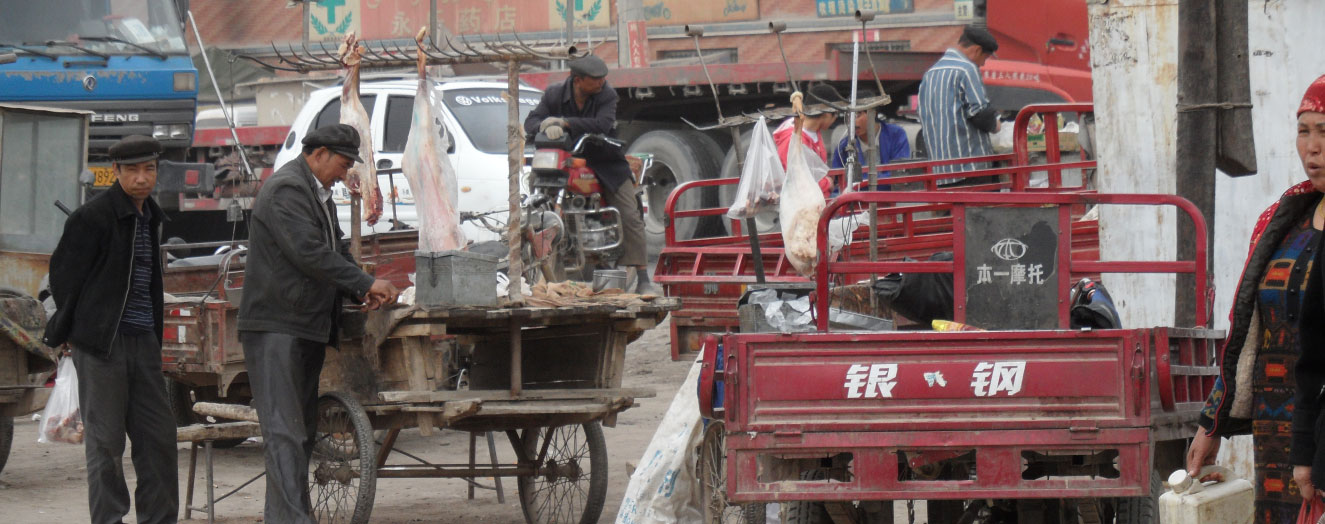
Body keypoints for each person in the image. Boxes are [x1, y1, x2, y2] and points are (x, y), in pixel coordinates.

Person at [239, 124, 400, 524]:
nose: (346, 174)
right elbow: (308, 252)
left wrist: (361, 289)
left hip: (303, 326)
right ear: (320, 153)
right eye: (343, 164)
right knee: (284, 432)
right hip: (276, 325)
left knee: (298, 434)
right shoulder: (287, 190)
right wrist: (363, 282)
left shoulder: (318, 193)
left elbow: (336, 250)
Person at [1187, 74, 1325, 522]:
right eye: (1304, 131)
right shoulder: (1284, 217)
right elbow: (1246, 336)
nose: (1312, 147)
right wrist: (1214, 424)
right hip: (1278, 425)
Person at [42, 135, 178, 524]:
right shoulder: (92, 217)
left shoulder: (151, 216)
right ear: (115, 172)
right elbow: (63, 276)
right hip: (101, 346)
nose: (141, 178)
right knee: (106, 445)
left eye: (148, 169)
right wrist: (75, 330)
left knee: (158, 439)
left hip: (143, 342)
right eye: (132, 170)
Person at [523, 54, 657, 294]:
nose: (601, 82)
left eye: (603, 78)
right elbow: (531, 121)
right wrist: (544, 126)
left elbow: (602, 125)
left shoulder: (607, 95)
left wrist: (564, 123)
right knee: (535, 191)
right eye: (595, 79)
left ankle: (644, 278)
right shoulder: (554, 94)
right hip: (567, 162)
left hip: (605, 162)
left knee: (629, 213)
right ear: (577, 80)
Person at [917, 25, 1000, 186]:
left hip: (940, 173)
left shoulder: (930, 74)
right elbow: (980, 114)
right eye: (985, 57)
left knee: (950, 212)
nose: (983, 64)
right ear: (976, 50)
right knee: (979, 211)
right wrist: (996, 125)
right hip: (970, 170)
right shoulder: (967, 69)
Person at [773, 83, 846, 195]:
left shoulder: (815, 132)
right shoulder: (792, 138)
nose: (836, 118)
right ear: (826, 114)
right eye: (835, 114)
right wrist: (827, 183)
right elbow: (795, 178)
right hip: (802, 206)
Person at [832, 101, 912, 187]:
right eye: (848, 116)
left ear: (873, 114)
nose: (852, 121)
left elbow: (900, 171)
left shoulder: (896, 134)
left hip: (891, 193)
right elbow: (837, 182)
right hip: (860, 197)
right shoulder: (844, 146)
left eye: (857, 115)